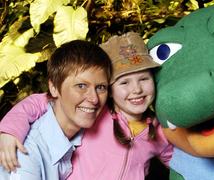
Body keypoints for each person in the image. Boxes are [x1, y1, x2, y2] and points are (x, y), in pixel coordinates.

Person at [0, 32, 173, 180]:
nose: (136, 89)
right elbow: (40, 101)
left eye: (144, 79)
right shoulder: (99, 115)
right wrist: (9, 130)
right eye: (124, 82)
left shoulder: (159, 131)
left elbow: (181, 163)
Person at [0, 40, 112, 179]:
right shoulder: (28, 152)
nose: (94, 99)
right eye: (81, 86)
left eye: (101, 87)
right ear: (54, 88)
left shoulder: (81, 131)